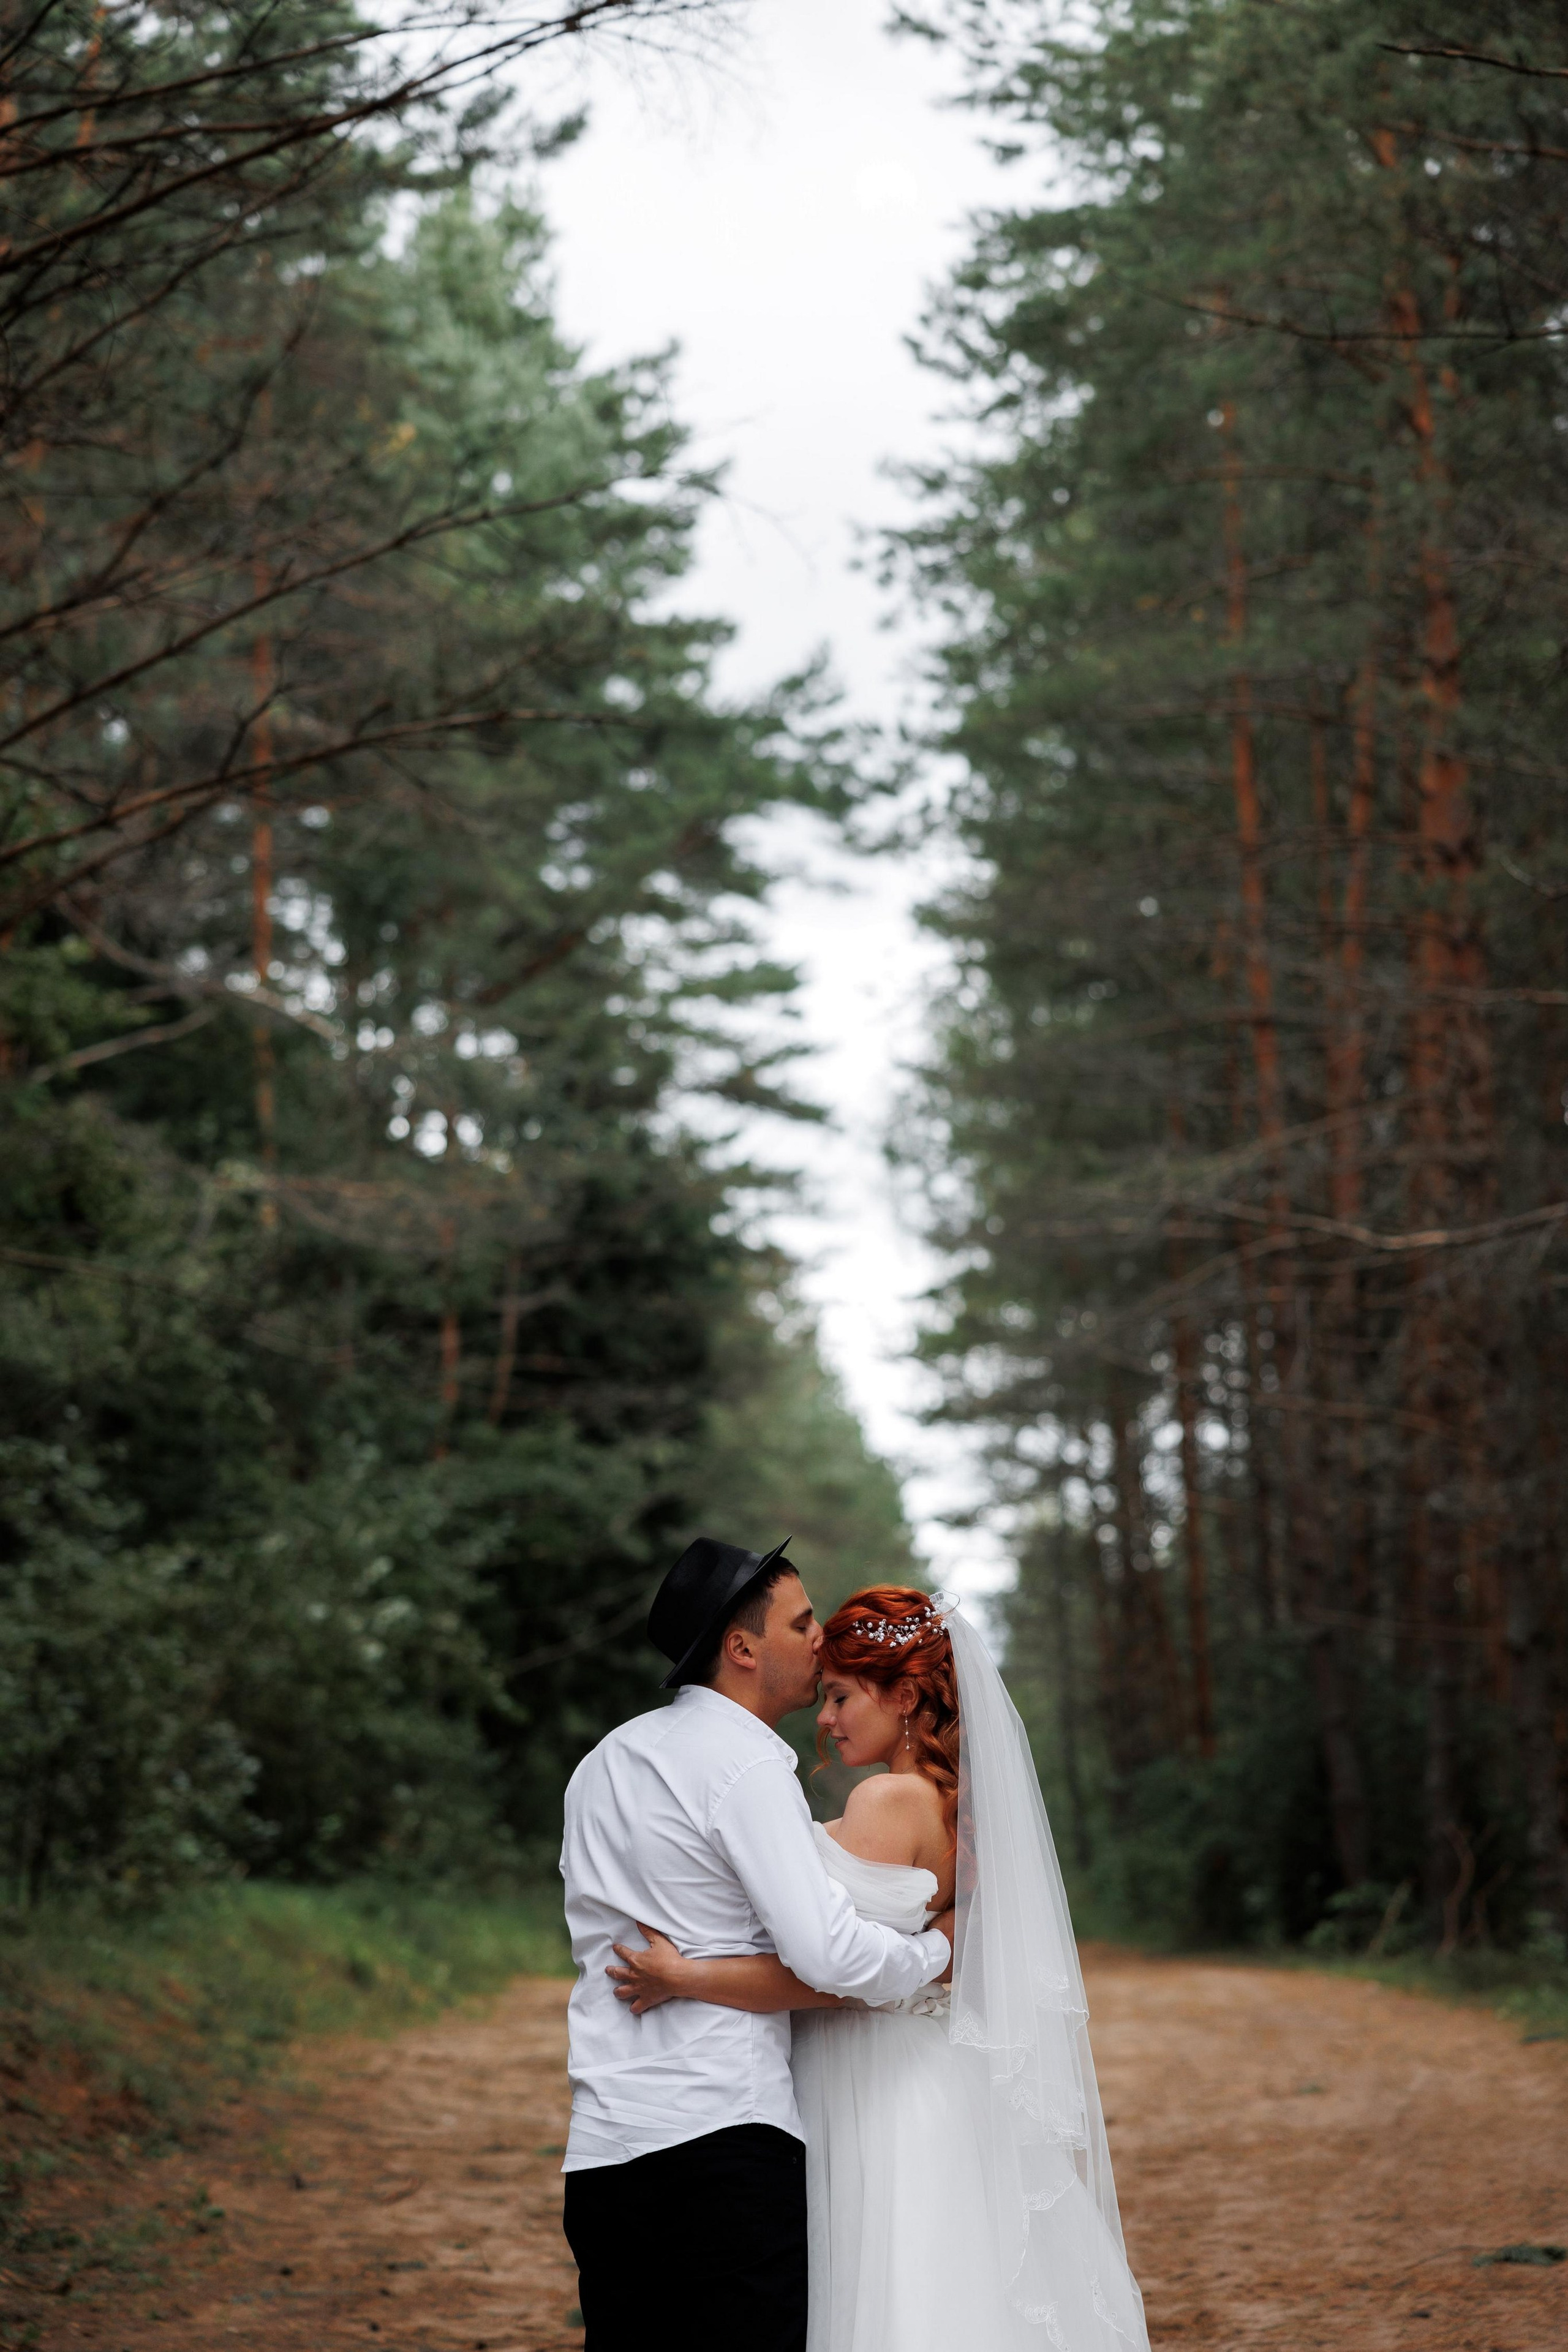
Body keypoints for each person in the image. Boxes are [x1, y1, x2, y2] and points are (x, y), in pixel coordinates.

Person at [608, 1585, 1150, 2352]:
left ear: (903, 1696)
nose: (825, 1719)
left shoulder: (885, 1800)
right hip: (932, 2069)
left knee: (893, 2283)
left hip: (875, 2078)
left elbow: (836, 1979)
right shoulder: (953, 1800)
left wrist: (689, 1977)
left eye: (839, 1697)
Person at [559, 1540, 954, 2352]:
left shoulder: (601, 1764)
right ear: (741, 1649)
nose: (819, 1637)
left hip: (602, 2147)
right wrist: (935, 1957)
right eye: (801, 1622)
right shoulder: (745, 1765)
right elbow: (832, 1956)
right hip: (722, 2141)